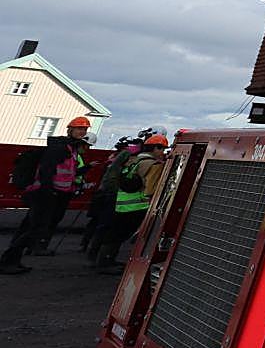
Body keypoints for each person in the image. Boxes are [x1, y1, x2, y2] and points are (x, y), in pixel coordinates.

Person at [0, 116, 92, 275]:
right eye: (79, 129)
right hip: (47, 194)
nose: (82, 132)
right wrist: (48, 190)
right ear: (70, 129)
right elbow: (47, 170)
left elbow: (67, 172)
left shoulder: (70, 148)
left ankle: (13, 260)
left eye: (84, 129)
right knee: (33, 228)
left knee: (30, 227)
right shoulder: (60, 148)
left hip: (53, 193)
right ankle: (8, 261)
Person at [92, 132, 169, 273]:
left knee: (115, 234)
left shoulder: (134, 160)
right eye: (162, 149)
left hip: (122, 204)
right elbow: (150, 189)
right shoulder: (154, 165)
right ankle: (106, 264)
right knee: (124, 235)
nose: (163, 153)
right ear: (155, 149)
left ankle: (105, 260)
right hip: (138, 205)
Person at [81, 136, 141, 258]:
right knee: (106, 225)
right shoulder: (126, 157)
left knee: (100, 223)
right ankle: (97, 255)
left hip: (105, 193)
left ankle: (91, 250)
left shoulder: (116, 158)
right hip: (112, 195)